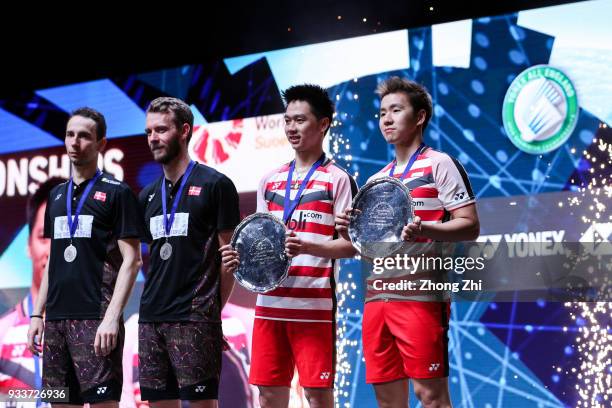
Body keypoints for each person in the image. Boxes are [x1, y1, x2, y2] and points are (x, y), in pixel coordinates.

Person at [336, 77, 479, 408]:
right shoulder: (376, 181)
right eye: (382, 112)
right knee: (388, 401)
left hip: (420, 298)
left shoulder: (439, 164)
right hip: (376, 300)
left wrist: (427, 229)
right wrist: (349, 233)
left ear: (420, 117)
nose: (386, 118)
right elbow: (370, 248)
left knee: (430, 397)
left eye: (396, 110)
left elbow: (469, 226)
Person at [221, 84, 358, 408]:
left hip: (314, 309)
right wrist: (238, 257)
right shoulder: (269, 180)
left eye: (300, 120)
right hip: (269, 308)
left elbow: (351, 247)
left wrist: (309, 246)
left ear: (323, 124)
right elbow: (259, 243)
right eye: (287, 120)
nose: (291, 128)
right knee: (268, 397)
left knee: (317, 396)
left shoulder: (338, 179)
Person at [26, 107, 145, 406]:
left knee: (104, 403)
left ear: (101, 143)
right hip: (56, 322)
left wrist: (111, 319)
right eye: (70, 135)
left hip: (96, 319)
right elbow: (54, 259)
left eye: (84, 136)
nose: (75, 142)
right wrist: (38, 314)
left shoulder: (118, 193)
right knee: (60, 402)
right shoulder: (56, 196)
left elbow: (133, 261)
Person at [138, 97, 240, 408]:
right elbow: (151, 261)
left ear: (184, 130)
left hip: (195, 320)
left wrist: (211, 314)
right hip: (151, 320)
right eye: (149, 132)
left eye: (161, 130)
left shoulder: (216, 185)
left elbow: (230, 260)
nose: (153, 138)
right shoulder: (146, 196)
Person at [0, 177, 64, 397]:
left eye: (61, 236)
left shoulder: (98, 334)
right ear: (28, 245)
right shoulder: (3, 333)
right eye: (43, 237)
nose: (53, 248)